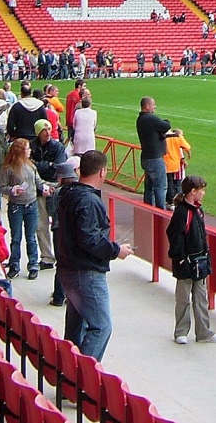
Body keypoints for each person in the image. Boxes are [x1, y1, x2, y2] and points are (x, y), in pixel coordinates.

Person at [54, 150, 132, 359]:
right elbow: (89, 239)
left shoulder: (68, 195)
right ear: (102, 172)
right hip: (85, 271)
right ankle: (82, 381)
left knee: (75, 328)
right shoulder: (87, 201)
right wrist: (116, 250)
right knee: (101, 327)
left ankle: (69, 377)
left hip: (69, 268)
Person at [166, 175, 216, 344]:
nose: (203, 193)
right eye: (201, 190)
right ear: (193, 192)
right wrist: (181, 259)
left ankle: (203, 332)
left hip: (200, 261)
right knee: (183, 299)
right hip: (186, 263)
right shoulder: (182, 213)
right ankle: (181, 332)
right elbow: (174, 236)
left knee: (201, 298)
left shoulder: (198, 210)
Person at [0, 137, 49, 280]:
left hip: (31, 204)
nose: (30, 151)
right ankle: (14, 264)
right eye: (27, 149)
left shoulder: (31, 166)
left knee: (31, 237)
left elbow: (38, 181)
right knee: (16, 237)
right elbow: (3, 187)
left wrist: (46, 188)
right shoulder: (8, 169)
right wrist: (13, 190)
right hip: (16, 206)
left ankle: (33, 264)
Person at [29, 118, 66, 269]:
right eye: (44, 130)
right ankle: (47, 258)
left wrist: (39, 166)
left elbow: (59, 167)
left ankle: (62, 256)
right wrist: (47, 165)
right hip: (39, 187)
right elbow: (29, 167)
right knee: (40, 225)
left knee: (59, 224)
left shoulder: (58, 147)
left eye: (49, 129)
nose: (47, 133)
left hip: (55, 187)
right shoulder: (31, 146)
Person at [136, 96, 182, 209]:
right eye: (153, 104)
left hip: (146, 157)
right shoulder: (150, 118)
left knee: (149, 187)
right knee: (160, 186)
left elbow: (157, 133)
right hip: (155, 158)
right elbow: (166, 125)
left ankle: (148, 210)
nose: (154, 107)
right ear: (147, 106)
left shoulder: (141, 119)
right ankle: (160, 212)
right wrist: (166, 122)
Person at [47, 157, 79, 307]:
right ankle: (70, 295)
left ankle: (59, 296)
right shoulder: (78, 192)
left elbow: (51, 210)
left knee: (61, 263)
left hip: (58, 229)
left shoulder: (56, 193)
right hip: (72, 230)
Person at [163, 129, 192, 209]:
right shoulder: (177, 138)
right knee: (176, 183)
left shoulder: (163, 137)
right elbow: (187, 147)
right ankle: (174, 201)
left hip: (166, 163)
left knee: (169, 183)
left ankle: (170, 201)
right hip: (176, 164)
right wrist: (189, 155)